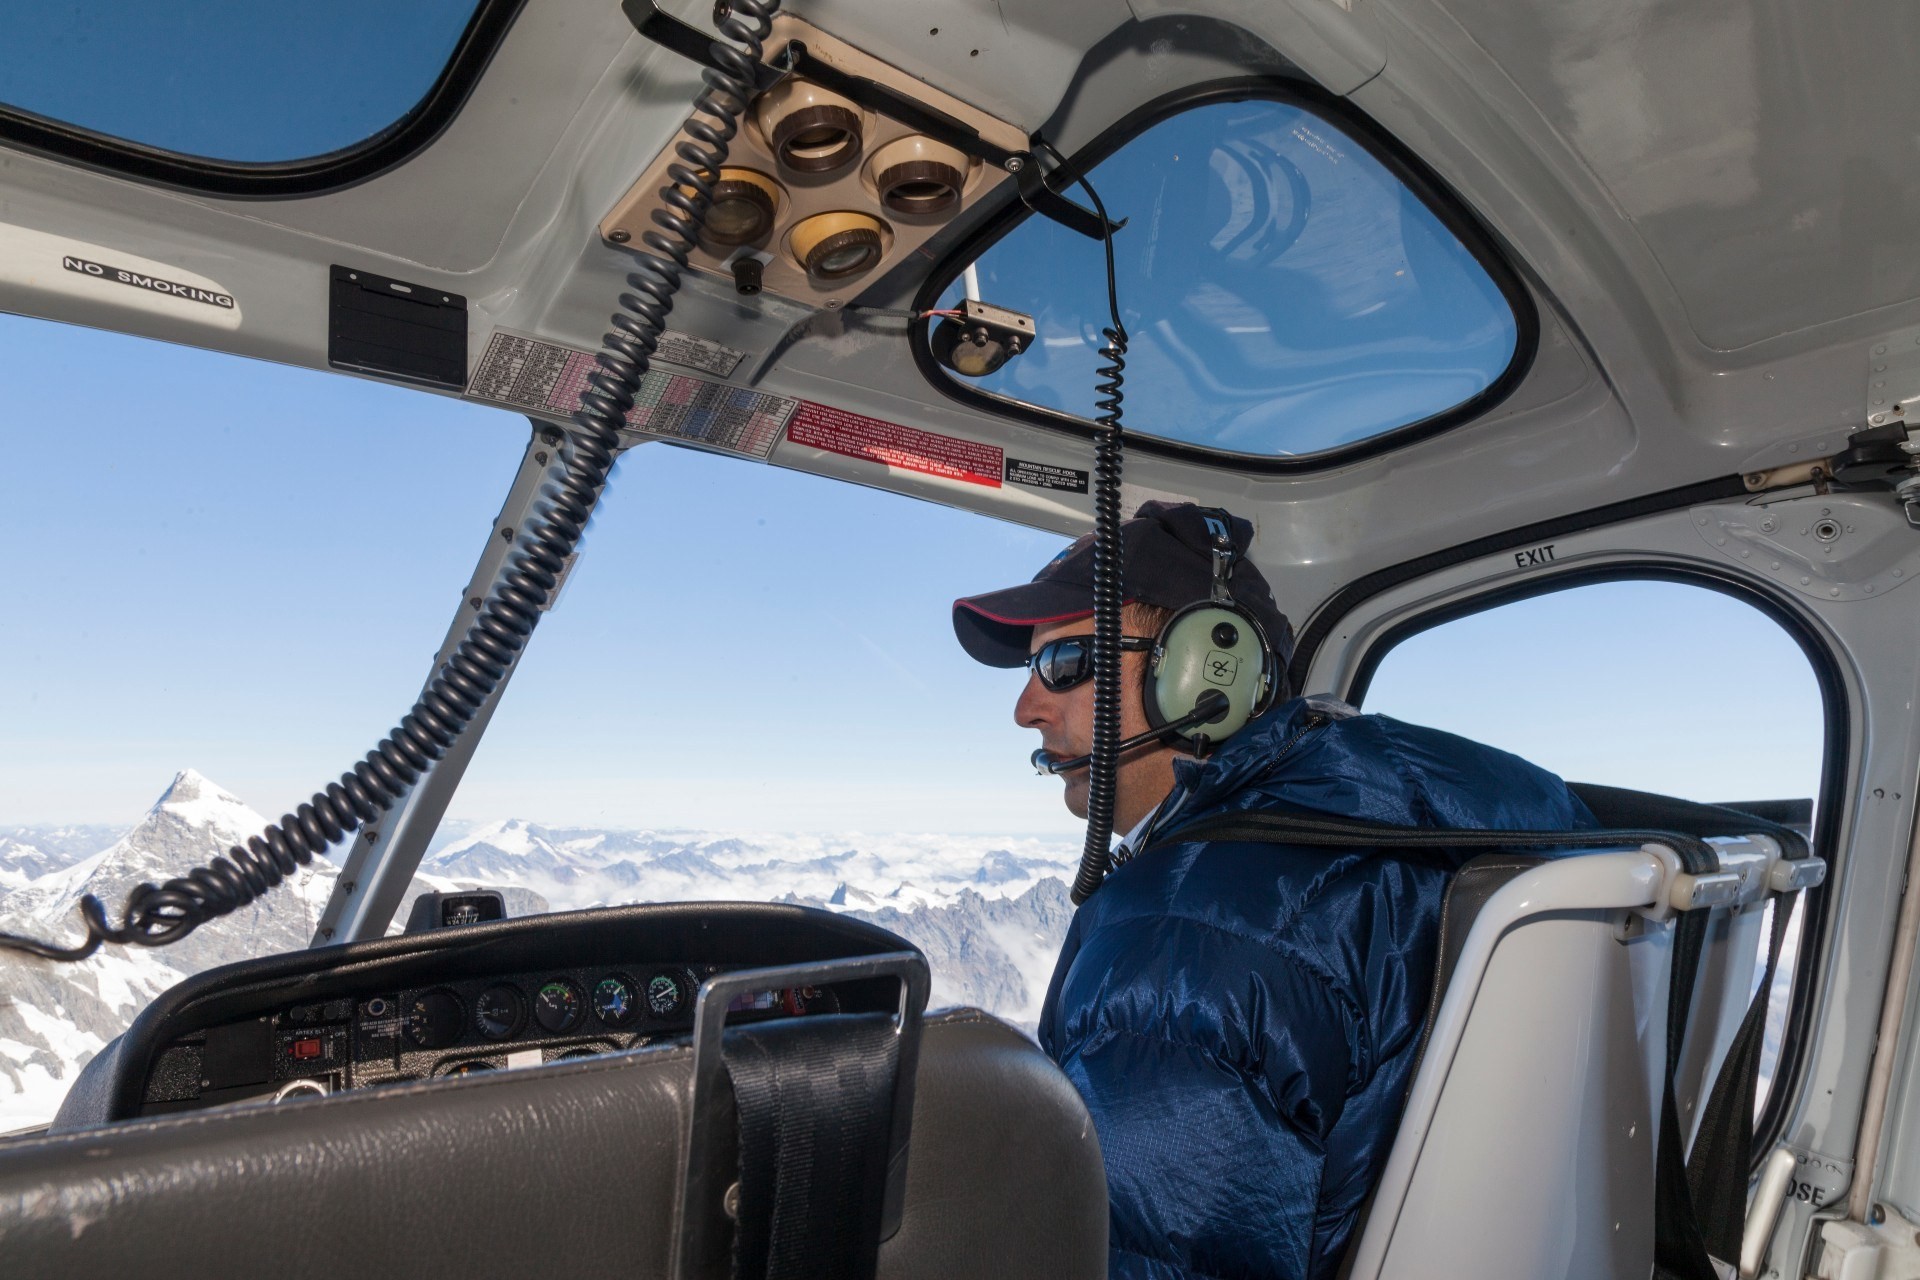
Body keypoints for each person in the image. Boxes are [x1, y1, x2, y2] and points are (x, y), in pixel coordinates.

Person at [952, 501, 1595, 1280]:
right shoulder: (1392, 827)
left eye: (1063, 663)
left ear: (1203, 668)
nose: (1025, 708)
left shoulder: (1184, 952)